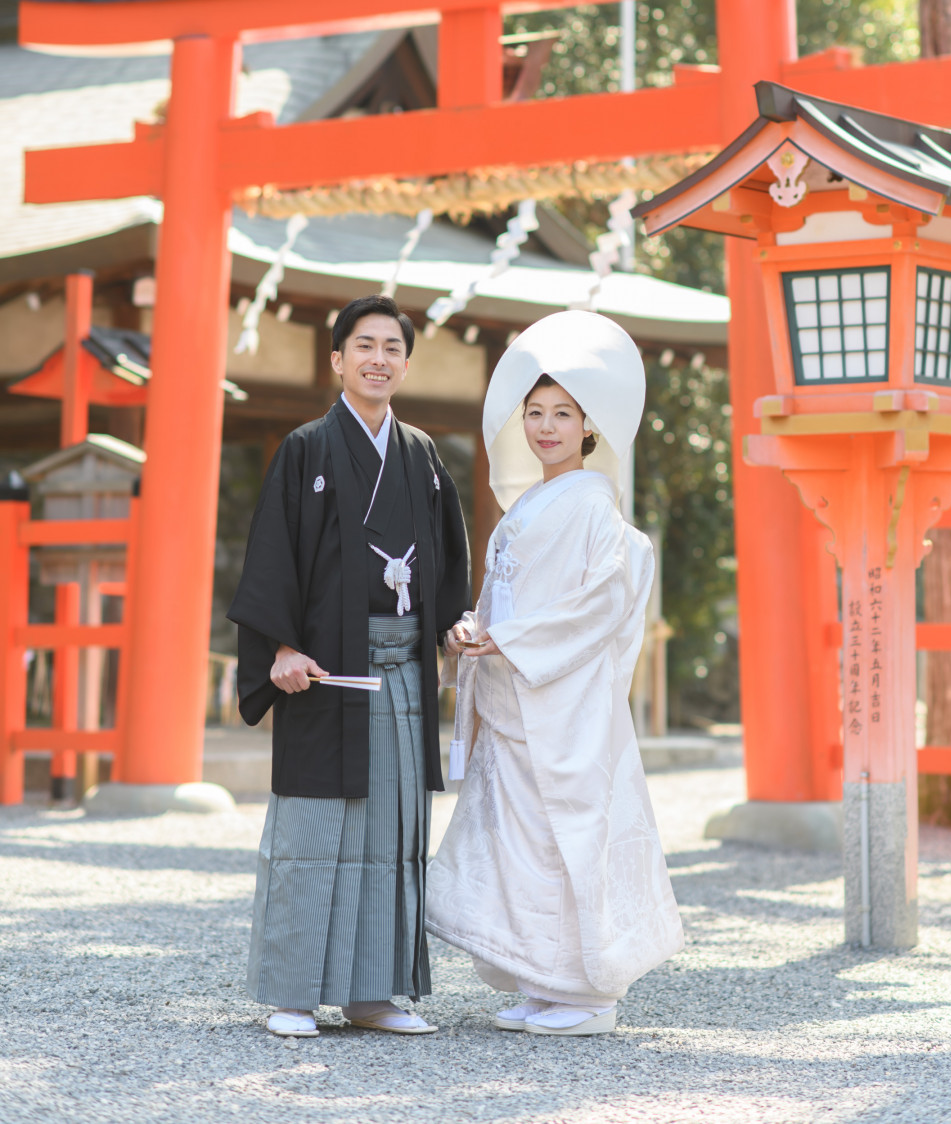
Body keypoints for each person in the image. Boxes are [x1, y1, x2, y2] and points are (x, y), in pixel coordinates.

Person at [426, 309, 683, 1036]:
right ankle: (546, 979)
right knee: (522, 843)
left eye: (562, 415)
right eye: (535, 413)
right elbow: (504, 595)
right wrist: (476, 630)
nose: (545, 427)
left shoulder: (598, 510)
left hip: (561, 701)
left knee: (565, 837)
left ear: (588, 427)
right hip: (515, 695)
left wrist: (510, 640)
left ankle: (590, 992)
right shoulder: (528, 504)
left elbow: (604, 599)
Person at [227, 293, 470, 1038]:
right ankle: (293, 994)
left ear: (404, 361)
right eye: (363, 346)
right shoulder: (306, 448)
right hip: (325, 675)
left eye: (392, 348)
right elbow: (271, 557)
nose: (377, 360)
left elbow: (449, 565)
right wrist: (280, 650)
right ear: (337, 360)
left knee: (390, 836)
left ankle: (374, 995)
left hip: (398, 677)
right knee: (312, 832)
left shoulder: (423, 456)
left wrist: (454, 623)